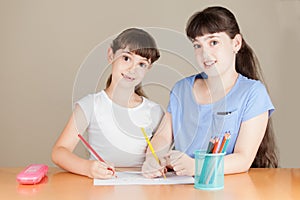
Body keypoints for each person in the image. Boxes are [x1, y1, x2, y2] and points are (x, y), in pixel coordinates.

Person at [142, 6, 278, 178]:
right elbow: (162, 137)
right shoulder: (181, 89)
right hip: (180, 187)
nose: (205, 53)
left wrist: (198, 166)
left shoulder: (253, 93)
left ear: (236, 43)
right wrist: (152, 159)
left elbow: (243, 159)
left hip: (228, 188)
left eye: (213, 42)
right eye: (197, 45)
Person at [52, 28, 164, 179]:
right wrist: (88, 168)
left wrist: (158, 164)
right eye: (126, 58)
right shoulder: (90, 105)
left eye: (141, 64)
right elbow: (59, 152)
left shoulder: (155, 111)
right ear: (111, 55)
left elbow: (163, 154)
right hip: (101, 187)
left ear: (148, 68)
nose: (132, 69)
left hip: (143, 188)